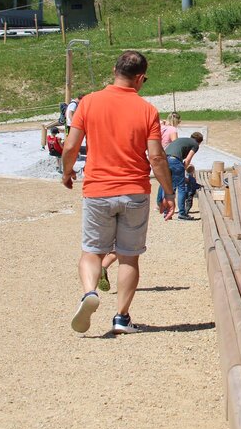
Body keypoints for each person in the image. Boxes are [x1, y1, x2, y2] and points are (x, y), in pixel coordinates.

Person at [61, 51, 175, 335]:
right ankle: (121, 318)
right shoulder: (147, 110)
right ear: (140, 78)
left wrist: (67, 172)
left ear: (114, 70)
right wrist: (169, 192)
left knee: (91, 252)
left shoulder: (88, 103)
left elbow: (71, 146)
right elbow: (157, 157)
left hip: (98, 189)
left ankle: (90, 293)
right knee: (128, 257)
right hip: (135, 191)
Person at [158, 132, 203, 220]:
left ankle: (167, 212)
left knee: (169, 187)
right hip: (175, 161)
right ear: (199, 142)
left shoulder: (181, 140)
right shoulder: (195, 145)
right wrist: (184, 169)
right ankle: (182, 213)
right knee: (181, 187)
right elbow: (188, 159)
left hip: (164, 160)